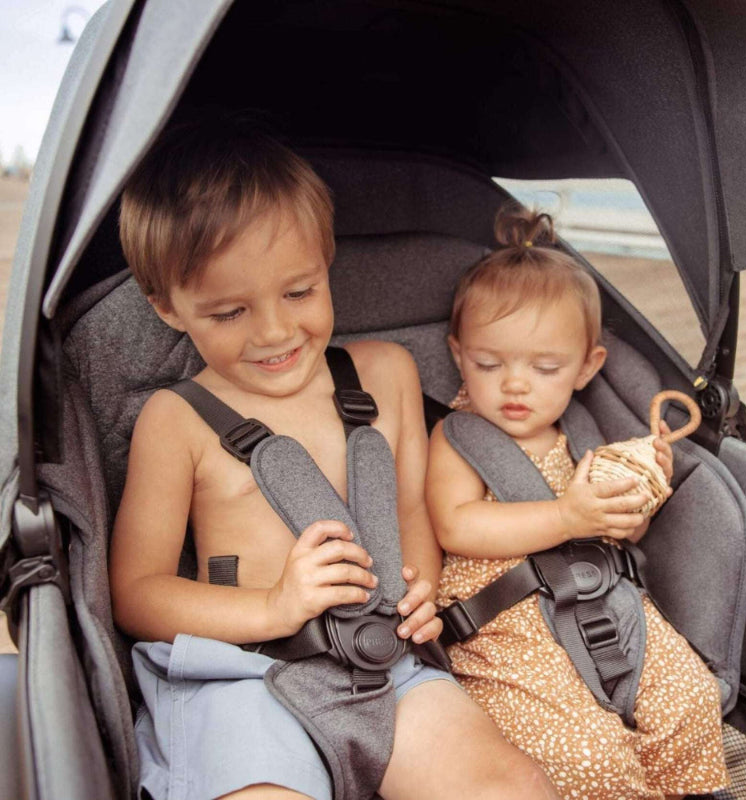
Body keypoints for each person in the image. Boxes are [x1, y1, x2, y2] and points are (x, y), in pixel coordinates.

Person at [109, 114, 559, 800]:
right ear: (167, 307)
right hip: (242, 675)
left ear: (327, 263)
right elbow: (136, 592)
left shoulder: (386, 373)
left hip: (386, 665)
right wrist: (273, 605)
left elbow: (409, 513)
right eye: (229, 313)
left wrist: (419, 591)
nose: (275, 331)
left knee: (513, 787)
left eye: (299, 291)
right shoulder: (176, 421)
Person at [426, 202, 730, 800]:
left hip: (606, 608)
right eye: (490, 363)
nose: (516, 384)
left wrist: (635, 499)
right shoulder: (456, 437)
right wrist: (567, 515)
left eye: (545, 367)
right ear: (460, 355)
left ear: (587, 367)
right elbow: (456, 525)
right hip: (505, 629)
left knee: (690, 702)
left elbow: (622, 538)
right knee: (585, 755)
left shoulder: (587, 437)